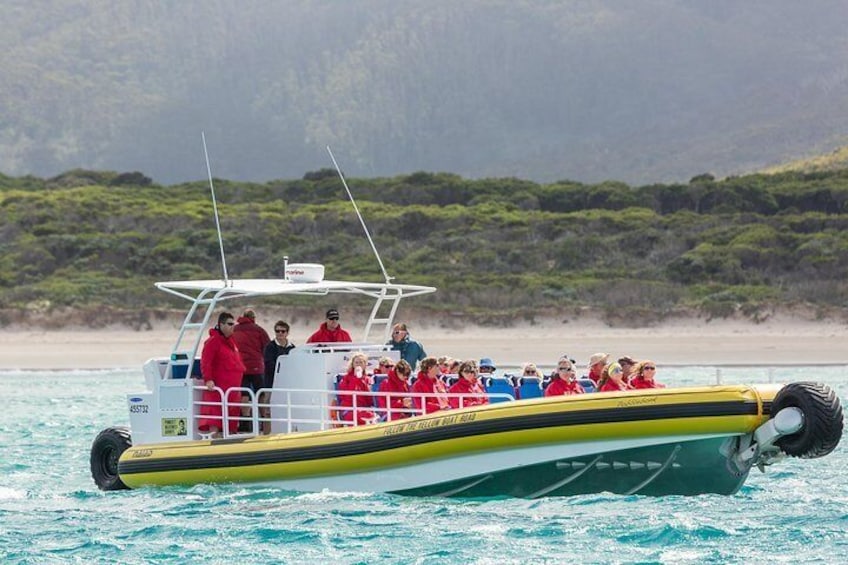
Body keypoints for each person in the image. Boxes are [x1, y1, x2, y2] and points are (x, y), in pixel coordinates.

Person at [198, 312, 246, 437]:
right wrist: (208, 379)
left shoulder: (231, 342)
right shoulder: (213, 342)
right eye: (230, 324)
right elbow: (206, 362)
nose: (232, 327)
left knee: (231, 418)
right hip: (219, 389)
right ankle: (214, 438)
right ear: (221, 324)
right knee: (215, 415)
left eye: (233, 324)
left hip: (233, 391)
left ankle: (230, 436)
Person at [232, 308, 270, 433]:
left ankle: (245, 421)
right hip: (256, 367)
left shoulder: (235, 329)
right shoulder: (259, 330)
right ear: (253, 318)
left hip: (240, 367)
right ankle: (264, 420)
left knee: (244, 394)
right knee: (261, 393)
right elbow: (267, 347)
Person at [261, 320, 296, 434]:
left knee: (287, 410)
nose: (280, 334)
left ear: (287, 333)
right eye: (277, 331)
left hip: (287, 385)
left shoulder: (293, 349)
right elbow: (269, 365)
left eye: (282, 331)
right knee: (268, 411)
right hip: (271, 384)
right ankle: (266, 434)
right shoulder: (270, 347)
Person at [337, 352, 377, 426]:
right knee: (364, 417)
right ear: (353, 365)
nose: (358, 364)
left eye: (361, 362)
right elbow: (347, 396)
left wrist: (361, 381)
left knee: (372, 416)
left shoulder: (368, 379)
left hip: (364, 408)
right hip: (349, 409)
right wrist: (356, 378)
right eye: (356, 362)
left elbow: (370, 399)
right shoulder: (346, 379)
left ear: (365, 365)